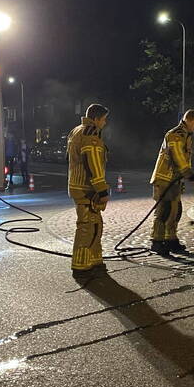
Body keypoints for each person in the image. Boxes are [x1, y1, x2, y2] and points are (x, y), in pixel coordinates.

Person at [149, 109, 194, 256]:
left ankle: (171, 240)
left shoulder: (187, 135)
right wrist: (187, 172)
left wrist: (186, 173)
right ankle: (157, 242)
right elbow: (177, 154)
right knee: (163, 211)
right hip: (164, 178)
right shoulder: (175, 134)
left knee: (175, 211)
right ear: (188, 120)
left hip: (174, 180)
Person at [67, 103, 110, 281]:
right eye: (104, 119)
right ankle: (81, 266)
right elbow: (92, 162)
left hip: (78, 185)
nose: (105, 123)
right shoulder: (90, 133)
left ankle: (94, 261)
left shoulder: (76, 130)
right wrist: (101, 190)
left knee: (94, 224)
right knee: (87, 227)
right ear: (96, 118)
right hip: (86, 188)